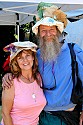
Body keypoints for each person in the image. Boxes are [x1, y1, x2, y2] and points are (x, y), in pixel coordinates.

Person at [2, 2, 83, 125]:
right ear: (39, 33)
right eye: (43, 30)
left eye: (52, 29)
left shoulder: (74, 51)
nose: (48, 34)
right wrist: (8, 75)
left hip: (70, 116)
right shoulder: (36, 56)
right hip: (43, 117)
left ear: (58, 31)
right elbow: (23, 71)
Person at [1, 41, 46, 125]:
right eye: (20, 58)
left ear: (33, 57)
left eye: (27, 55)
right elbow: (5, 113)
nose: (25, 60)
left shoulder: (39, 78)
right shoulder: (11, 83)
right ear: (16, 61)